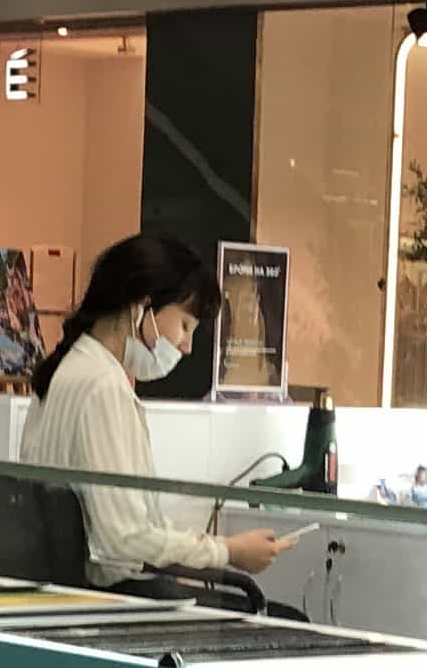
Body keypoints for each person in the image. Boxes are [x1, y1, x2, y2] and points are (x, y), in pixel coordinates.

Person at [21, 233, 292, 591]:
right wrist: (228, 551)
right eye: (185, 325)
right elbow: (124, 539)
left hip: (70, 597)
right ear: (141, 306)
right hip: (110, 599)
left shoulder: (64, 371)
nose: (187, 346)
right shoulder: (103, 388)